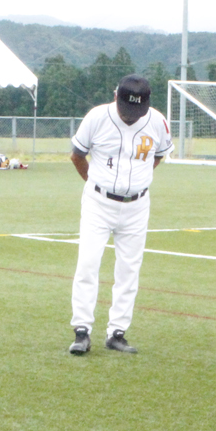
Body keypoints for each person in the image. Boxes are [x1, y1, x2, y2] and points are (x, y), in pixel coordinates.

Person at [67, 74, 174, 355]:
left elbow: (159, 155)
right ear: (116, 97)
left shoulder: (158, 121)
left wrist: (137, 181)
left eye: (137, 111)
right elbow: (77, 155)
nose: (131, 116)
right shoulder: (96, 118)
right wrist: (95, 184)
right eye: (126, 110)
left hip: (138, 205)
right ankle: (82, 331)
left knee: (129, 269)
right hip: (98, 202)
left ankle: (117, 332)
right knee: (88, 264)